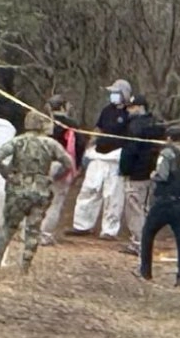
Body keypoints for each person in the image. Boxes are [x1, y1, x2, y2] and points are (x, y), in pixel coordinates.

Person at [0, 110, 74, 272]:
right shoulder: (50, 144)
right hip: (41, 190)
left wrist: (8, 174)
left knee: (8, 226)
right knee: (33, 230)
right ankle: (25, 267)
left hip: (18, 189)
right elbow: (68, 163)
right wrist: (53, 177)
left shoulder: (18, 142)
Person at [137, 125, 180, 287]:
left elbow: (162, 175)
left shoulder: (167, 153)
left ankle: (145, 272)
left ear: (169, 139)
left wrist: (153, 175)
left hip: (166, 202)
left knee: (148, 233)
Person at [69, 78, 131, 239]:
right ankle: (82, 225)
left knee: (112, 196)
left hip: (116, 158)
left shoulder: (129, 113)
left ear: (124, 94)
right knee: (89, 190)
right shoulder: (107, 110)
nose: (113, 96)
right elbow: (99, 128)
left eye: (116, 93)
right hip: (98, 156)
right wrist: (90, 145)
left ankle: (109, 230)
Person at [118, 94, 165, 255]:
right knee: (144, 208)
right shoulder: (157, 125)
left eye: (131, 107)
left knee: (135, 208)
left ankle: (139, 243)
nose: (129, 111)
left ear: (140, 107)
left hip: (137, 172)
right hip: (152, 172)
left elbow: (129, 150)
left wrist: (124, 170)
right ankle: (142, 241)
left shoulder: (135, 126)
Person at [39, 94, 86, 245]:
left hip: (41, 163)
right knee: (56, 200)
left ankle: (30, 231)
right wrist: (77, 166)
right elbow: (79, 146)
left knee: (37, 199)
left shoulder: (42, 122)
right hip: (61, 163)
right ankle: (45, 234)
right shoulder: (71, 124)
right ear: (63, 106)